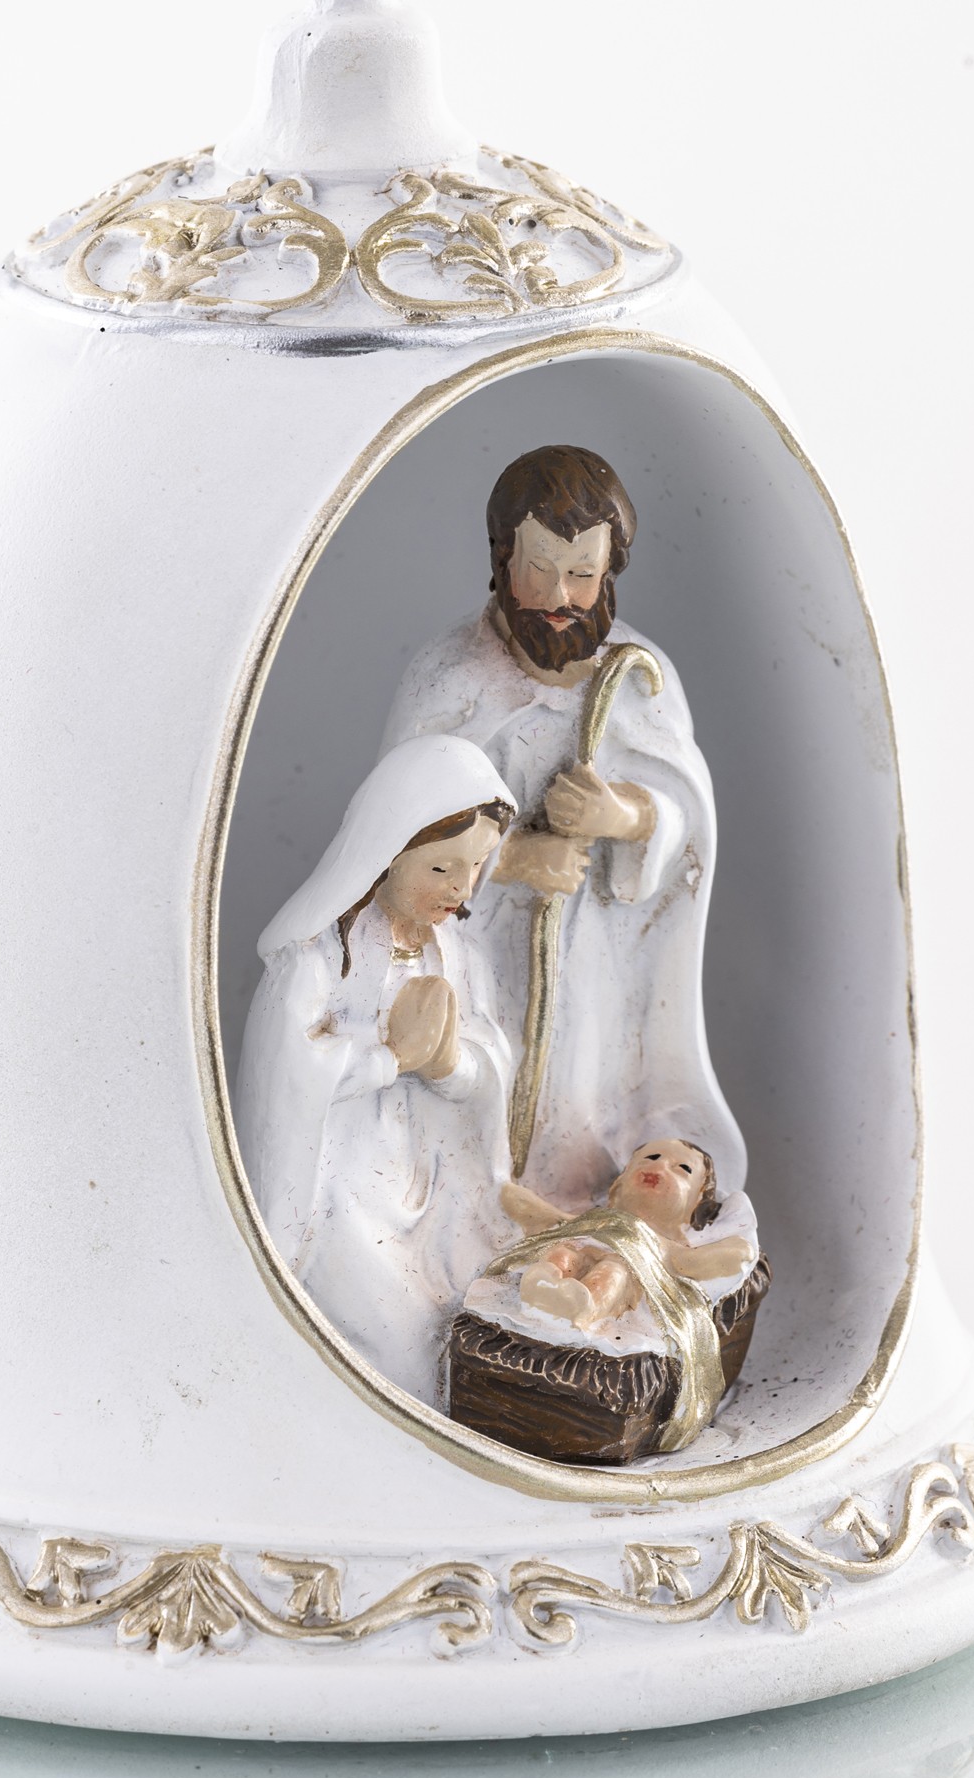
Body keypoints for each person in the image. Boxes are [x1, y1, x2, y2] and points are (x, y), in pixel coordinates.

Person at [380, 442, 746, 1202]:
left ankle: (573, 1206)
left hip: (595, 949)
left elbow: (687, 813)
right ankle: (476, 1201)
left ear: (610, 570)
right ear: (501, 557)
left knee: (580, 1076)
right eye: (537, 568)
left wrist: (624, 814)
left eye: (581, 573)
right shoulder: (449, 677)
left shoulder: (638, 676)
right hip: (475, 938)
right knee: (477, 1070)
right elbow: (397, 819)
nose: (557, 594)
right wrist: (510, 859)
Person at [236, 735, 516, 1404]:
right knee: (403, 1341)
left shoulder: (457, 955)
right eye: (441, 868)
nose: (462, 889)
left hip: (435, 1183)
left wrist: (450, 1065)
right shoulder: (313, 960)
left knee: (486, 1313)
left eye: (477, 865)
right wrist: (391, 1058)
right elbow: (285, 1081)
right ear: (385, 851)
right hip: (339, 1190)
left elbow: (489, 1060)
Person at [500, 1139, 755, 1333]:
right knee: (561, 1253)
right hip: (579, 1244)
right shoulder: (593, 1219)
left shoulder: (661, 1244)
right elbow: (552, 1219)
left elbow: (690, 1261)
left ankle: (584, 1307)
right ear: (619, 1183)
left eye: (683, 1169)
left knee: (613, 1272)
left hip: (623, 1265)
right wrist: (513, 1196)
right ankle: (542, 1289)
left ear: (694, 1205)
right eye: (652, 1157)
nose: (659, 1166)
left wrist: (733, 1251)